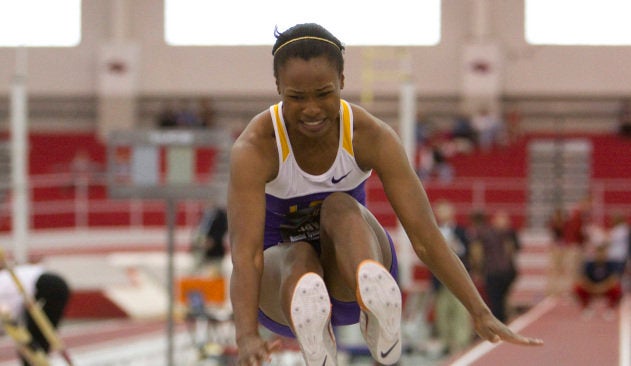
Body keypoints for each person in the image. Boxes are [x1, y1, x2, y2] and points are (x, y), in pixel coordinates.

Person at [227, 23, 542, 366]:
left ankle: (375, 306)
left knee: (340, 206)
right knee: (298, 256)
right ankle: (314, 334)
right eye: (296, 97)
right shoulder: (256, 147)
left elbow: (425, 238)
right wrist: (246, 336)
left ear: (343, 81)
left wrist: (479, 312)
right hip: (283, 295)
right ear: (278, 88)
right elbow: (248, 257)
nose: (312, 109)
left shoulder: (370, 135)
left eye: (323, 93)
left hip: (351, 269)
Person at [0, 262, 71, 366]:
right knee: (36, 343)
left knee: (31, 345)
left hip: (46, 287)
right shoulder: (6, 279)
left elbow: (9, 319)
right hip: (54, 283)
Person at [430, 201, 473, 356]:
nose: (441, 214)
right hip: (440, 278)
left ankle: (461, 343)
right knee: (442, 312)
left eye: (444, 210)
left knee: (460, 311)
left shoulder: (461, 231)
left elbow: (468, 251)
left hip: (458, 279)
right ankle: (446, 343)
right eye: (439, 211)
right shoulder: (432, 231)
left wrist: (455, 246)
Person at [468, 210, 520, 323]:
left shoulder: (487, 233)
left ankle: (500, 323)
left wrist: (477, 270)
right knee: (500, 300)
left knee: (496, 301)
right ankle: (504, 320)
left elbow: (477, 253)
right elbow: (512, 251)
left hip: (496, 272)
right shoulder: (506, 233)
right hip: (505, 271)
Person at [573, 243, 623, 321]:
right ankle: (586, 307)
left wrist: (602, 287)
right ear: (595, 253)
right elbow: (583, 279)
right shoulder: (589, 264)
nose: (601, 255)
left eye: (603, 253)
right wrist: (593, 287)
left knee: (617, 288)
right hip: (591, 287)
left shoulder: (610, 264)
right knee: (578, 287)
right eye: (599, 253)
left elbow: (613, 279)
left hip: (605, 288)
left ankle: (610, 308)